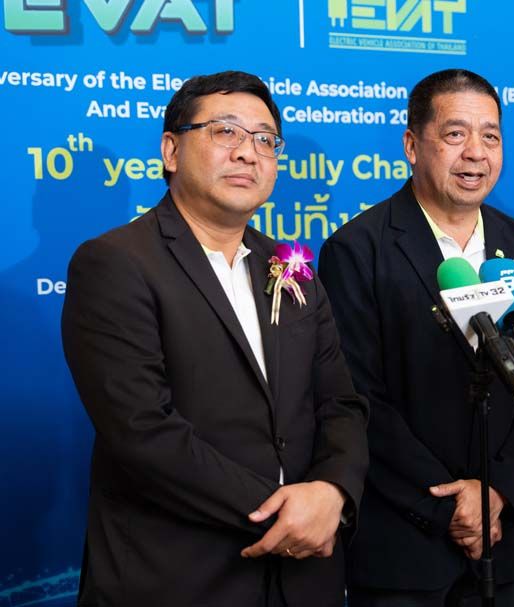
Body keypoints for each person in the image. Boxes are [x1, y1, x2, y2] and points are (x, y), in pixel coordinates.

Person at [61, 71, 368, 607]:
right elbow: (142, 431)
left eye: (265, 140)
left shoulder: (292, 269)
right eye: (226, 132)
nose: (248, 153)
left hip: (303, 581)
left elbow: (340, 403)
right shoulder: (116, 263)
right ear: (171, 150)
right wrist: (287, 512)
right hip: (179, 577)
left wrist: (332, 492)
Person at [318, 69, 514, 606]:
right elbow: (358, 399)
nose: (476, 153)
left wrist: (498, 492)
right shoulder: (358, 249)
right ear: (412, 145)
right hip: (407, 545)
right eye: (455, 134)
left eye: (490, 136)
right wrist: (452, 505)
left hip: (505, 540)